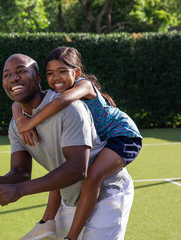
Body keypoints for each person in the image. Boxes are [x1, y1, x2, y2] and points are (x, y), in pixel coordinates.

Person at [0, 53, 135, 240]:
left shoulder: (71, 108)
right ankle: (46, 223)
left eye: (21, 71)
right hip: (71, 198)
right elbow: (20, 173)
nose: (13, 78)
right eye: (6, 75)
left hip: (108, 193)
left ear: (38, 78)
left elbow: (77, 169)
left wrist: (20, 190)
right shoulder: (17, 125)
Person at [11, 47, 142, 240]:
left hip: (122, 136)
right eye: (50, 73)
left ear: (77, 72)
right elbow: (17, 102)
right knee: (60, 171)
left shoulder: (84, 85)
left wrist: (30, 122)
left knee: (93, 176)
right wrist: (20, 119)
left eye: (62, 71)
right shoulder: (55, 93)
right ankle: (46, 223)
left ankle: (71, 237)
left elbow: (63, 100)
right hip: (105, 137)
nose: (56, 78)